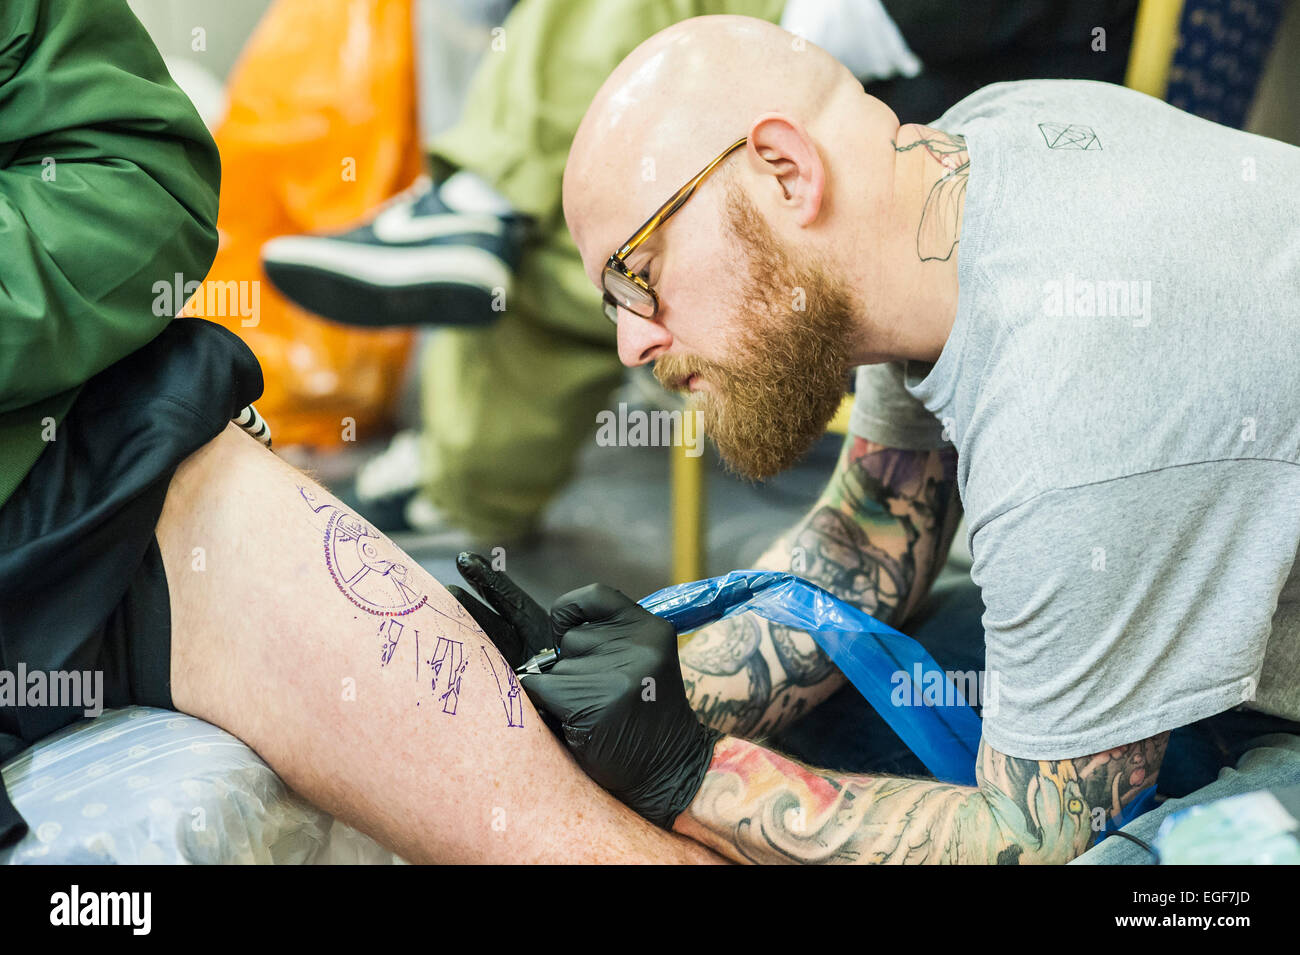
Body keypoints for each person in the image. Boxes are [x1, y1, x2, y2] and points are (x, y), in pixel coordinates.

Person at [449, 14, 1300, 864]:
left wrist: (687, 771)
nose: (633, 344)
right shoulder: (962, 174)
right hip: (1219, 601)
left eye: (637, 276)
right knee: (851, 709)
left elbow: (1030, 838)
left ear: (785, 172)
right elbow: (871, 535)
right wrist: (623, 693)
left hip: (1264, 705)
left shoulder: (1077, 391)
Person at [0, 0, 732, 864]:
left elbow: (127, 168)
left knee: (558, 833)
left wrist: (700, 748)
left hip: (68, 472)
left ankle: (474, 240)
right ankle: (475, 224)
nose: (633, 343)